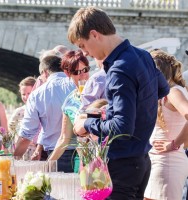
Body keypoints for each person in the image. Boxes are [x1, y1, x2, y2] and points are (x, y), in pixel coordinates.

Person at [70, 7, 170, 199]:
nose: (86, 53)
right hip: (140, 160)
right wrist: (119, 108)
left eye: (83, 46)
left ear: (94, 34)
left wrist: (86, 124)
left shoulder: (118, 69)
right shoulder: (142, 55)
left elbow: (122, 128)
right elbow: (163, 89)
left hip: (123, 165)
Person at [14, 55, 75, 172]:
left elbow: (27, 134)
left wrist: (14, 160)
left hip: (56, 155)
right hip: (83, 152)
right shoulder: (77, 85)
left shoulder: (37, 94)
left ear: (45, 72)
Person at [144, 49, 188, 200]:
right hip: (158, 161)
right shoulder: (172, 91)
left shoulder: (173, 92)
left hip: (167, 162)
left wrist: (174, 144)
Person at [48, 50, 89, 172]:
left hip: (105, 158)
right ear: (68, 73)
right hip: (82, 160)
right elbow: (64, 139)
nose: (83, 75)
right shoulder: (69, 101)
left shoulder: (99, 92)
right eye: (77, 72)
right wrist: (48, 164)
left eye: (85, 70)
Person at [8, 76, 36, 160]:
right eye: (23, 94)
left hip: (37, 153)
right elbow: (11, 129)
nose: (26, 97)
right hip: (23, 153)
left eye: (29, 93)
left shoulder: (43, 110)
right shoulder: (19, 112)